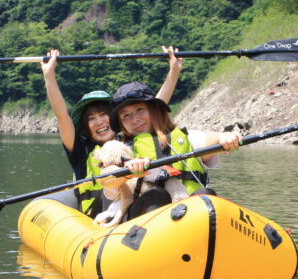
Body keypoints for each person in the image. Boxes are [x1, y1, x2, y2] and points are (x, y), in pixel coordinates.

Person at [41, 47, 183, 217]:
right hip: (98, 211)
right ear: (86, 126)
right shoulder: (82, 149)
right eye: (91, 118)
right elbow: (62, 115)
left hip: (131, 207)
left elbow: (155, 106)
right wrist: (49, 75)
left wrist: (174, 72)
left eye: (103, 115)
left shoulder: (128, 140)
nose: (99, 122)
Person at [102, 81, 241, 218]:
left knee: (206, 195)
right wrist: (126, 172)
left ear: (154, 110)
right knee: (156, 196)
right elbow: (108, 182)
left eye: (140, 109)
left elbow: (208, 141)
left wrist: (223, 137)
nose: (134, 119)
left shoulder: (183, 137)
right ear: (121, 123)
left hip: (188, 216)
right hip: (141, 220)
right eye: (126, 116)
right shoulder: (121, 149)